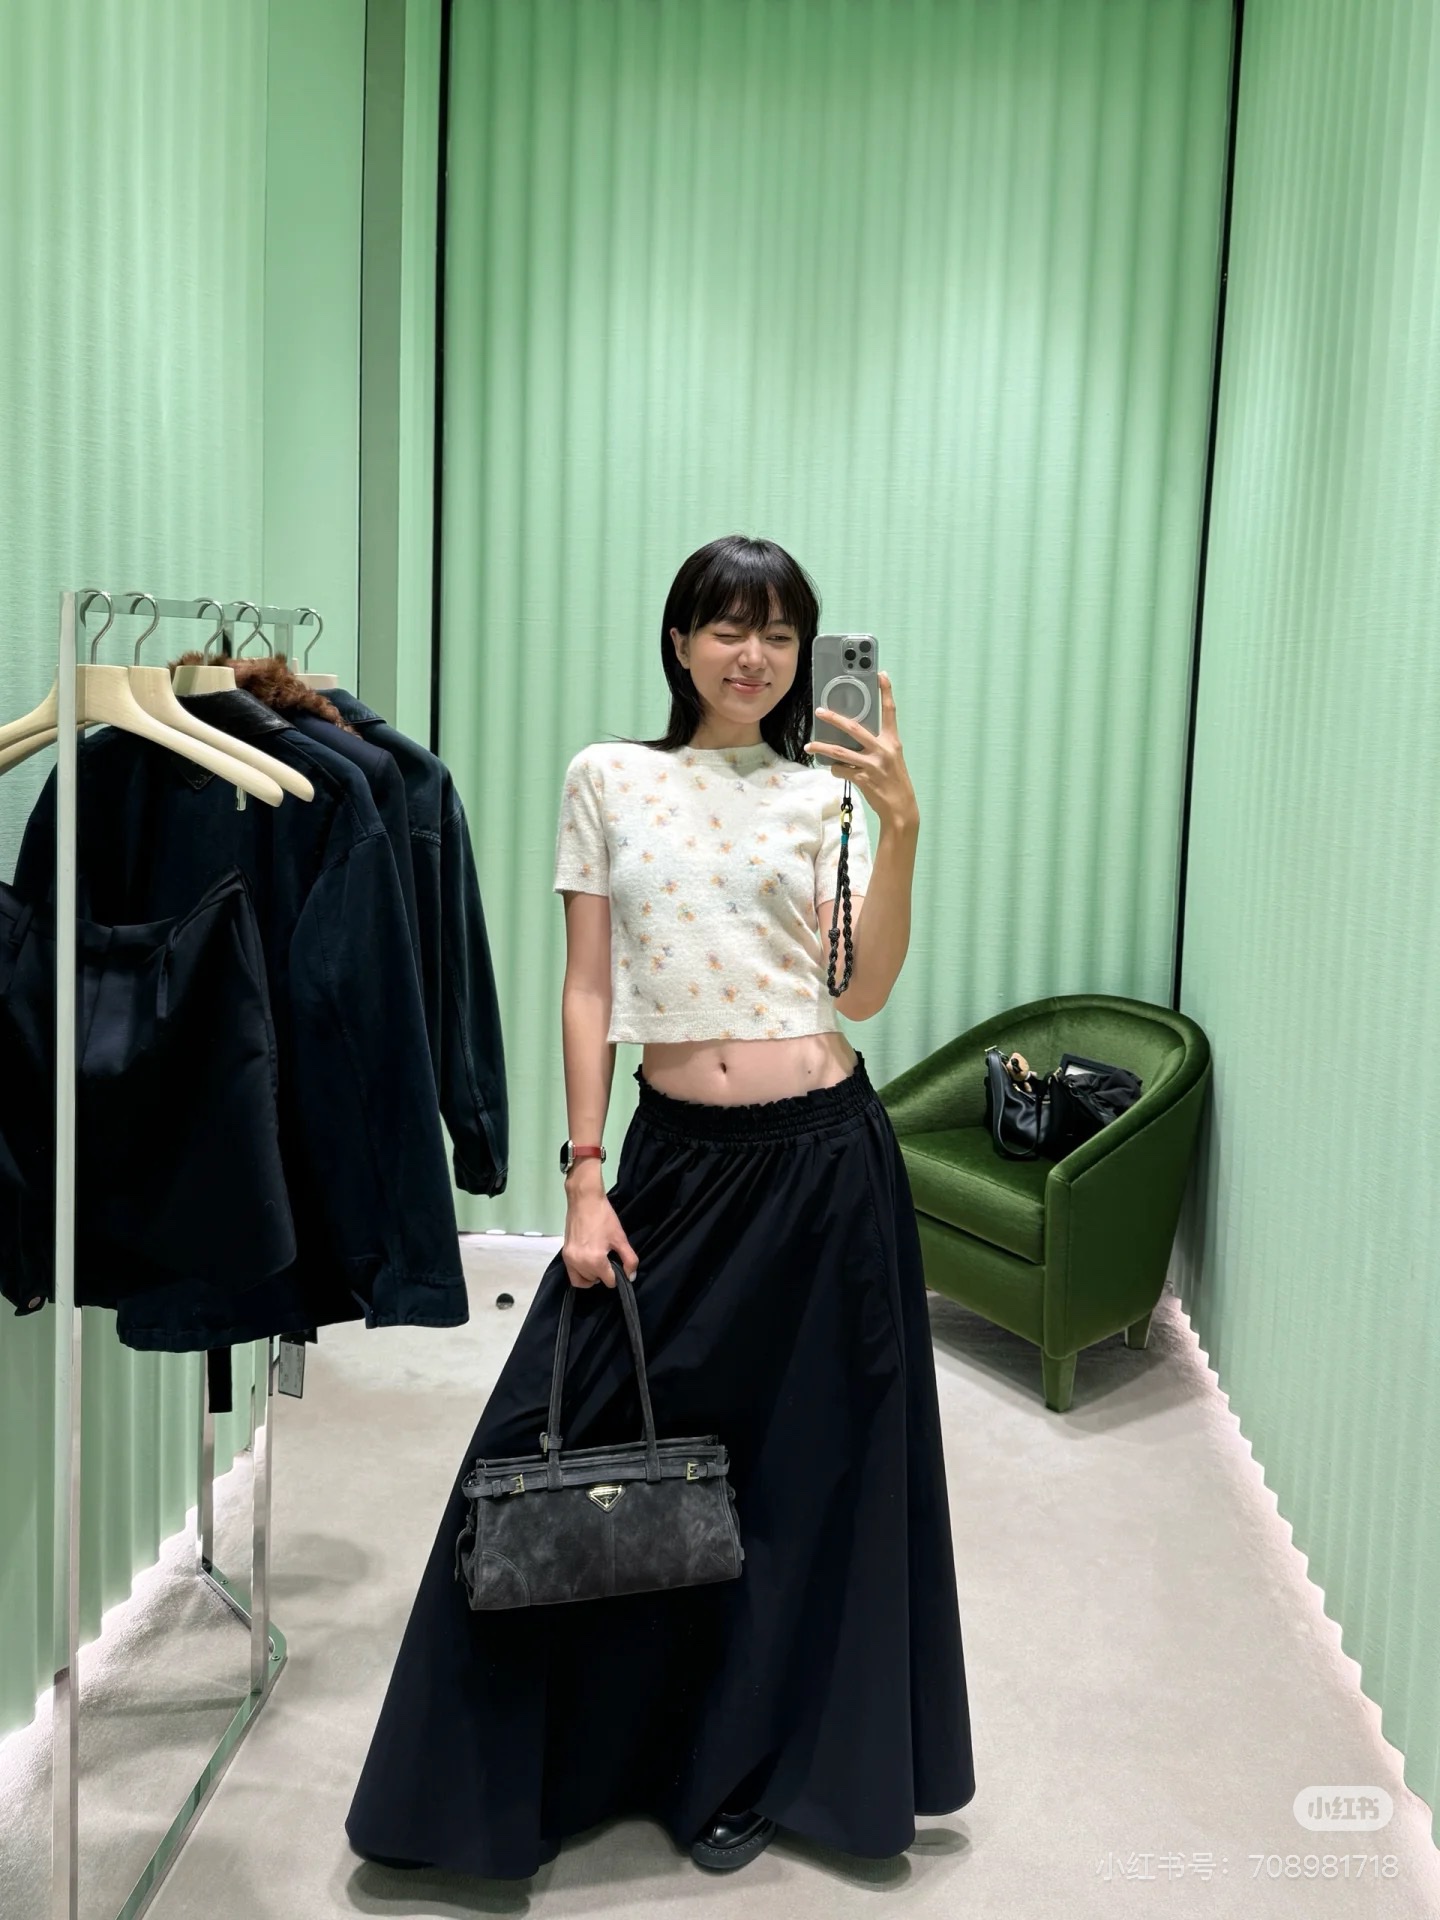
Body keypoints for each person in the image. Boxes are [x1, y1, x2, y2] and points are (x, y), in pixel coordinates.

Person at [345, 534, 975, 1881]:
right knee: (573, 1435)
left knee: (805, 1478)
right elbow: (588, 989)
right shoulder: (610, 778)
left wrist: (903, 831)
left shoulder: (825, 795)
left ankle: (746, 1769)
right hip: (678, 1163)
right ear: (680, 641)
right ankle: (514, 1780)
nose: (755, 656)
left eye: (781, 634)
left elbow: (862, 993)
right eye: (727, 627)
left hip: (827, 1164)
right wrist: (583, 1177)